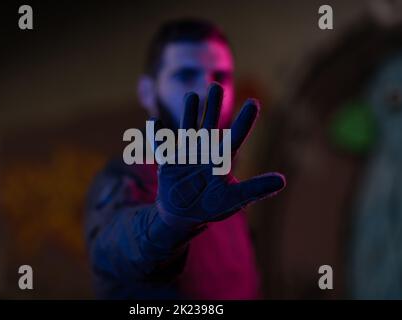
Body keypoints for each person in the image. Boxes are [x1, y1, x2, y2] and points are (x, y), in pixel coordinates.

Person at [84, 18, 286, 299]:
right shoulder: (125, 178)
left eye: (220, 76)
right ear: (148, 92)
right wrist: (166, 224)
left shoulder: (224, 186)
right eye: (185, 76)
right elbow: (112, 246)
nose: (206, 90)